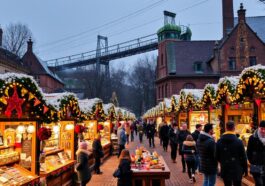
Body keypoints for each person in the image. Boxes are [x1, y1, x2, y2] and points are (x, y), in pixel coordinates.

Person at [216, 121, 248, 186]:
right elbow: (243, 157)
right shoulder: (239, 141)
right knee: (237, 184)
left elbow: (216, 156)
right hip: (237, 168)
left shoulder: (219, 141)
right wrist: (245, 170)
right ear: (234, 128)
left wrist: (222, 161)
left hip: (225, 168)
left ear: (226, 128)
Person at [247, 120, 265, 185]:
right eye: (262, 128)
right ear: (259, 128)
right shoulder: (252, 138)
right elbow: (248, 151)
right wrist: (252, 161)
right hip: (256, 166)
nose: (263, 131)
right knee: (260, 183)